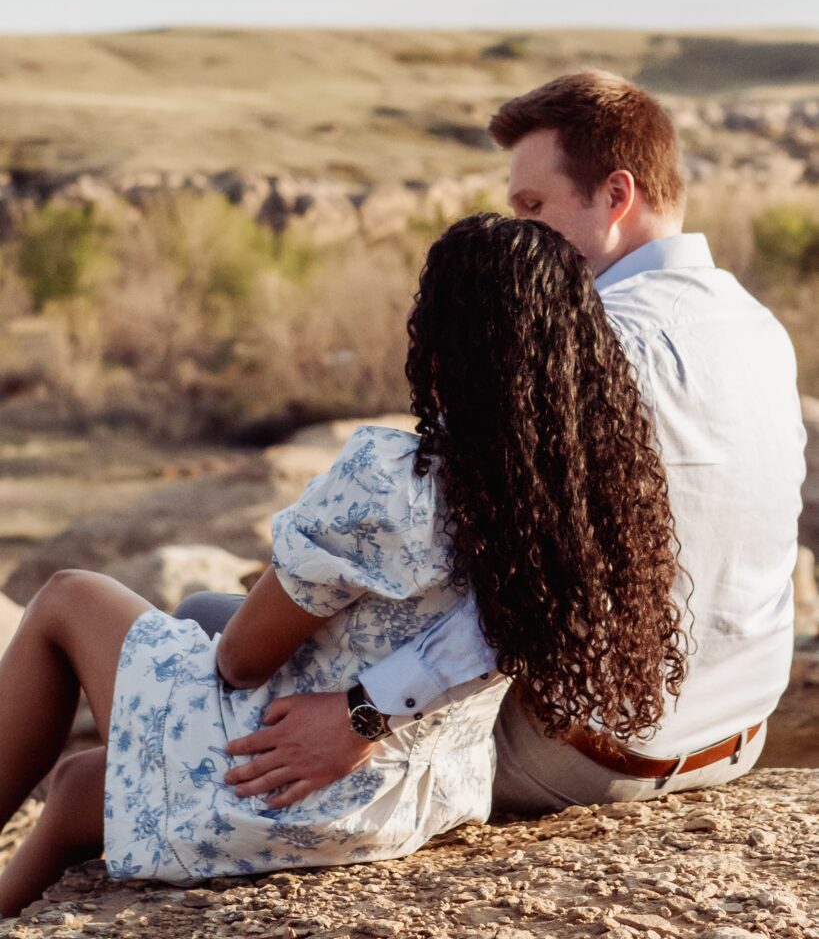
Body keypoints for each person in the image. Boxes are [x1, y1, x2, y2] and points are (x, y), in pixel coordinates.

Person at [0, 214, 686, 918]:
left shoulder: (393, 481)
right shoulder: (581, 496)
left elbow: (240, 660)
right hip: (417, 798)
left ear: (444, 340)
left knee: (67, 596)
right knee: (86, 782)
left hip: (297, 792)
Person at [179, 71, 807, 815]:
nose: (522, 234)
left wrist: (363, 711)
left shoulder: (588, 352)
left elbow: (542, 593)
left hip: (591, 755)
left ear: (616, 196)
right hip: (735, 734)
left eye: (534, 207)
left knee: (204, 623)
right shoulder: (754, 325)